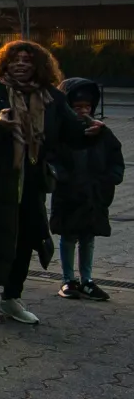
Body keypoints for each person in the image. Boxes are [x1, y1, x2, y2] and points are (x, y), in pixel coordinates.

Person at [0, 40, 98, 324]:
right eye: (15, 59)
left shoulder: (51, 98)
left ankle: (10, 298)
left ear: (39, 66)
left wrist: (92, 131)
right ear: (4, 64)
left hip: (31, 179)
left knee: (26, 238)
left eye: (27, 60)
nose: (21, 64)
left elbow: (71, 134)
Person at [50, 78, 124, 301]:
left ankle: (87, 280)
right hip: (69, 194)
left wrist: (110, 179)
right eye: (77, 107)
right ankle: (67, 279)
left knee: (89, 238)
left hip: (95, 195)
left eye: (87, 107)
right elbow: (51, 158)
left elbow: (115, 157)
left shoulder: (102, 132)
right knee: (69, 237)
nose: (83, 111)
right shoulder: (61, 133)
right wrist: (62, 178)